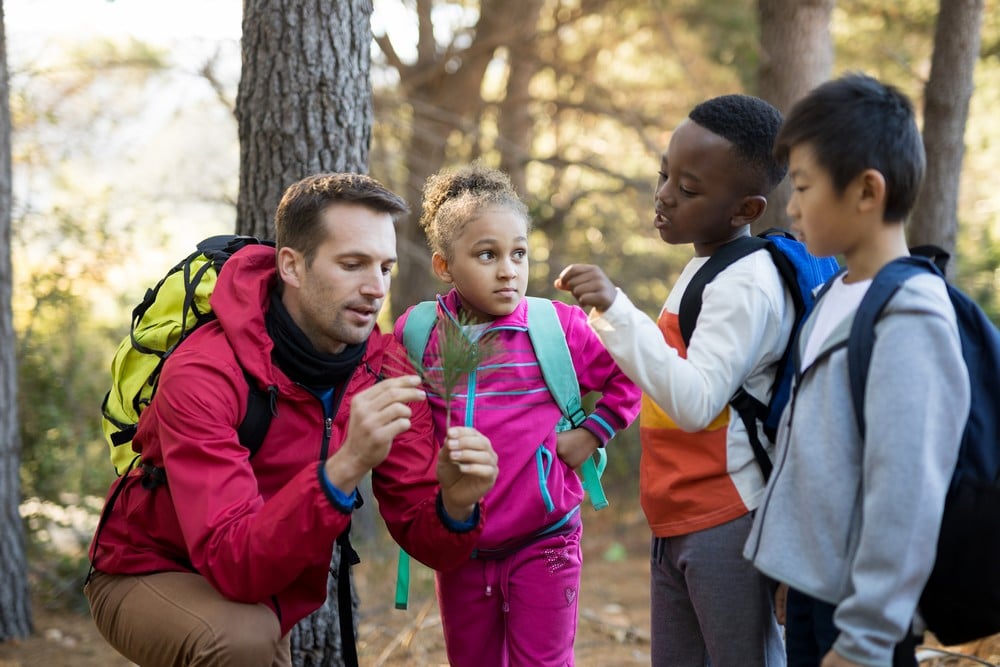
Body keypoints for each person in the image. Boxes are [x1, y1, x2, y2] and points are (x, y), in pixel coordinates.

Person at [84, 173, 500, 667]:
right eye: (352, 265)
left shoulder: (382, 366)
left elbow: (426, 536)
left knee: (251, 631)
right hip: (148, 571)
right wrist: (344, 467)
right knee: (242, 639)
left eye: (385, 268)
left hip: (261, 591)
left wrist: (454, 504)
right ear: (292, 267)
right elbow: (232, 561)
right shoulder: (204, 374)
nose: (375, 289)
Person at [743, 73, 970, 667]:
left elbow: (905, 492)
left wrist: (867, 638)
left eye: (803, 186)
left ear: (867, 191)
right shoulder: (834, 294)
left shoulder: (910, 314)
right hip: (817, 592)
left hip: (866, 619)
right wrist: (793, 566)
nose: (790, 206)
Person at [555, 94, 791, 667]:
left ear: (745, 208)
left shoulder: (746, 284)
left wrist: (616, 309)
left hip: (726, 518)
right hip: (676, 512)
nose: (663, 195)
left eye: (687, 190)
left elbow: (694, 400)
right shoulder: (703, 266)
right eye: (665, 174)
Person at [393, 162, 641, 666]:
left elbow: (631, 374)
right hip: (460, 545)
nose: (508, 269)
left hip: (545, 538)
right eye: (487, 255)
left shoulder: (559, 327)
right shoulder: (418, 333)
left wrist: (592, 434)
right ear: (445, 266)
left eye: (519, 253)